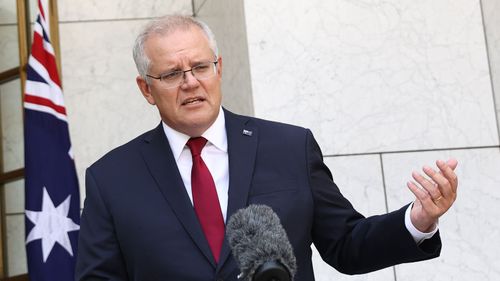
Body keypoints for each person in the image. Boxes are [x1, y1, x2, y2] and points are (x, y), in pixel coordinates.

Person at [75, 15, 458, 281]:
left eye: (200, 67)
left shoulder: (289, 147)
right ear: (146, 89)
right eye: (172, 74)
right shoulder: (112, 179)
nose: (190, 82)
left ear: (219, 69)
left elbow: (346, 246)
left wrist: (418, 220)